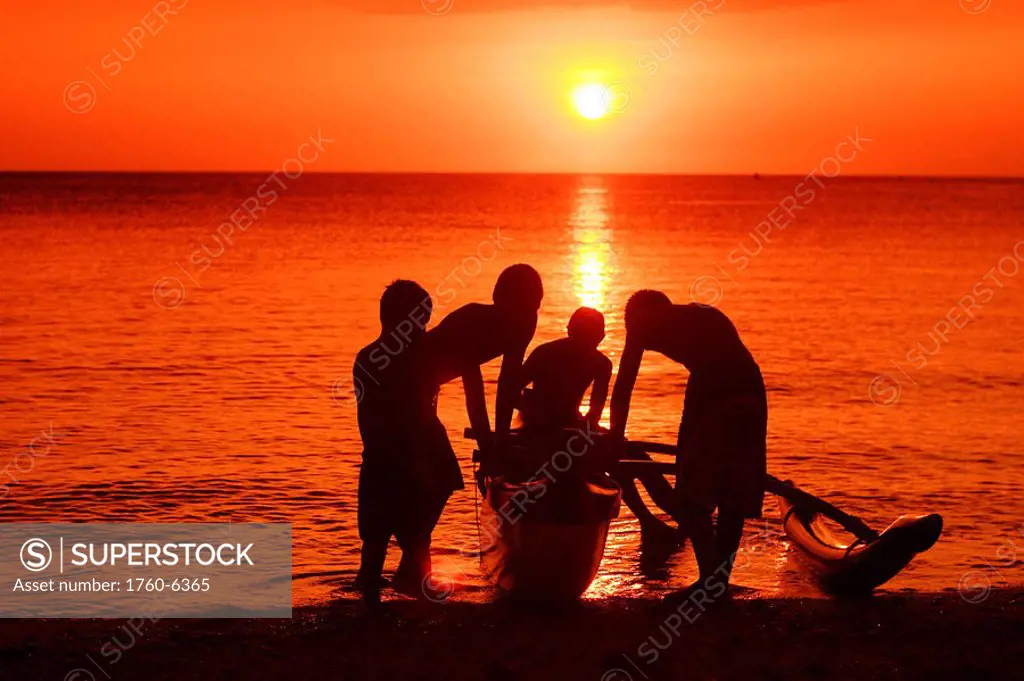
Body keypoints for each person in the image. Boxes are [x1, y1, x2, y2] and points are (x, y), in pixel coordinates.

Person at [610, 290, 767, 599]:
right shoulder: (697, 314)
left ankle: (710, 582)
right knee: (731, 495)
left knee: (693, 490)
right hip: (752, 392)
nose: (636, 336)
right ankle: (717, 581)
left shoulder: (645, 320)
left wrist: (615, 440)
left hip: (717, 396)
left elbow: (624, 384)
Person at [353, 280, 462, 607]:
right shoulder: (401, 358)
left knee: (380, 533)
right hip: (404, 449)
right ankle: (408, 576)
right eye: (420, 322)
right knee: (407, 530)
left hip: (382, 451)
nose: (423, 329)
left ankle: (384, 581)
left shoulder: (369, 356)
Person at [425, 264, 543, 479]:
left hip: (431, 386)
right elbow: (474, 393)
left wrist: (502, 441)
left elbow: (507, 384)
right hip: (413, 379)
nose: (527, 316)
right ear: (500, 301)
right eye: (520, 309)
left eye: (532, 309)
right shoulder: (471, 320)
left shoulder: (527, 320)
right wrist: (488, 451)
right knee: (441, 473)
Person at [518, 306, 611, 431]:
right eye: (582, 333)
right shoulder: (545, 353)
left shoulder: (602, 364)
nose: (584, 342)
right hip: (536, 421)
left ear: (600, 337)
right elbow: (511, 390)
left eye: (589, 335)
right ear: (570, 331)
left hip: (571, 419)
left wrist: (587, 426)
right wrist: (532, 412)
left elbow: (595, 410)